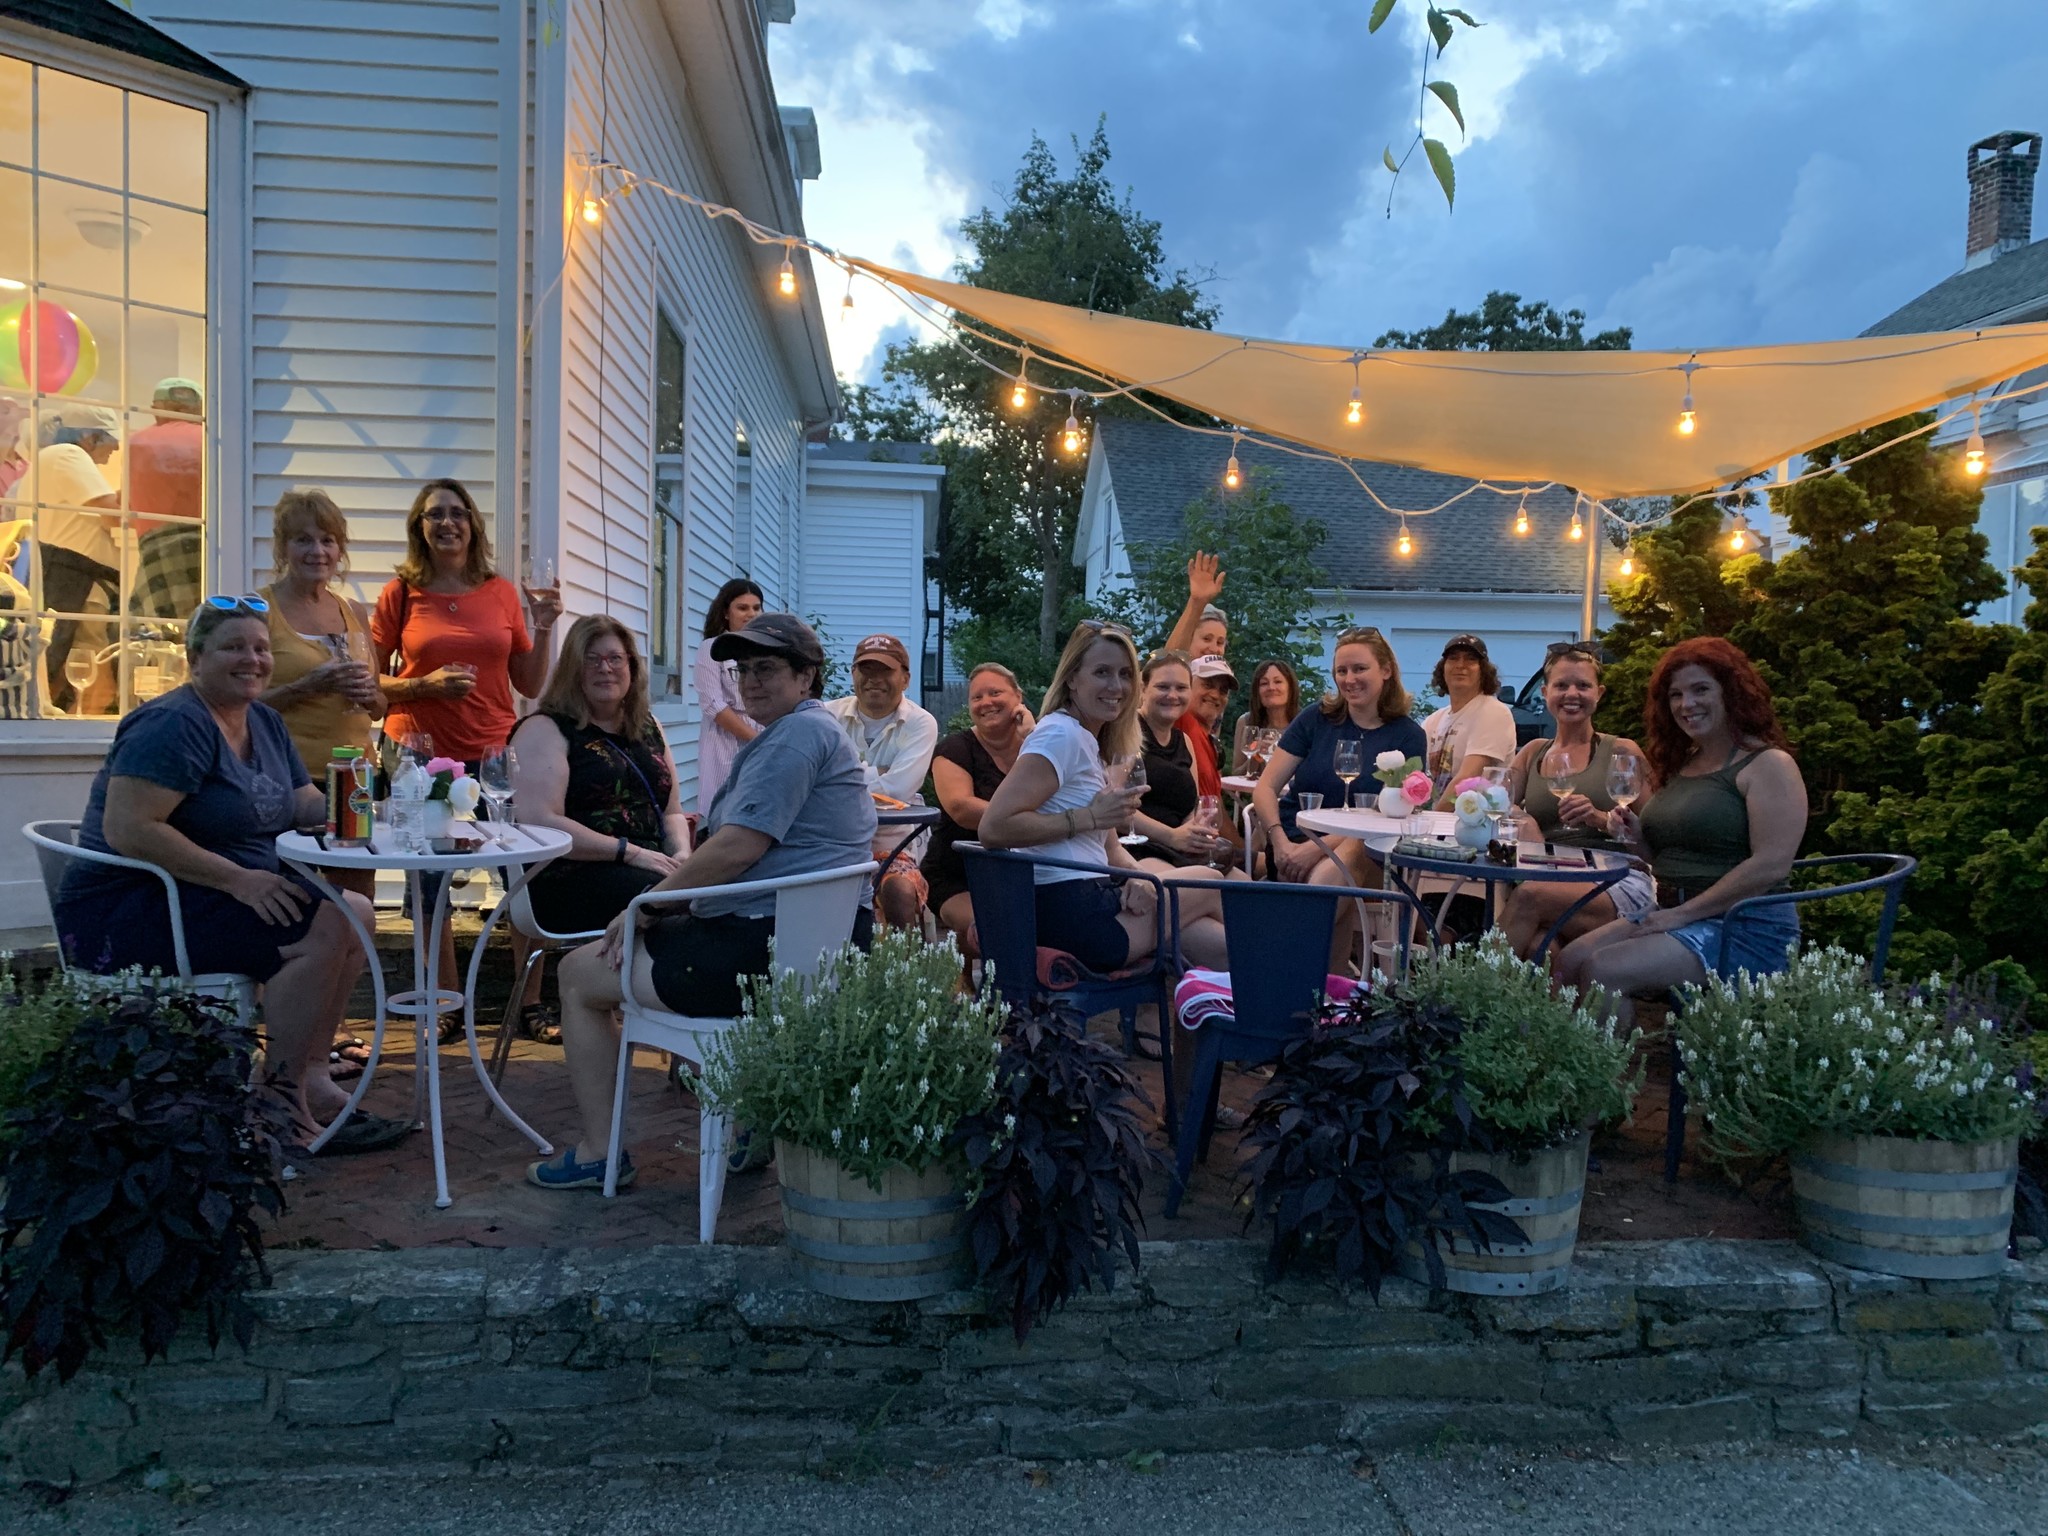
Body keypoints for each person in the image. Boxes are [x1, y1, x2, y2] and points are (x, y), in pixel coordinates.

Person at [529, 613, 874, 1191]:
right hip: (812, 945)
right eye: (744, 670)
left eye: (768, 668)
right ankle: (752, 1120)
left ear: (807, 677)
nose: (752, 682)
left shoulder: (795, 737)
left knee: (577, 974)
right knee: (652, 942)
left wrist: (651, 906)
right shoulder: (811, 733)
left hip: (759, 954)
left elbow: (739, 846)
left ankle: (599, 1153)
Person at [49, 597, 396, 1151]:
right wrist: (240, 880)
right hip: (132, 906)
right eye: (233, 647)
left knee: (354, 911)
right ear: (195, 657)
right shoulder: (171, 724)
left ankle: (310, 1076)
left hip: (208, 892)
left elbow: (301, 800)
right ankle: (277, 1103)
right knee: (327, 926)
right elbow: (129, 828)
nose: (252, 659)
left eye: (260, 648)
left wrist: (368, 807)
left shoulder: (262, 720)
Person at [371, 478, 563, 999]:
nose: (447, 523)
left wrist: (543, 626)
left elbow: (528, 683)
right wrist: (422, 685)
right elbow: (368, 682)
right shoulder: (401, 593)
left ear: (473, 524)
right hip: (418, 756)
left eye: (457, 513)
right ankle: (444, 999)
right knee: (430, 884)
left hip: (493, 754)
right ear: (420, 527)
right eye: (435, 515)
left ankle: (530, 1003)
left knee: (518, 878)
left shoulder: (500, 592)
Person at [1554, 637, 1808, 1029]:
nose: (1686, 704)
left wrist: (1681, 915)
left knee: (1605, 970)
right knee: (1568, 960)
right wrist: (1636, 837)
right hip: (1676, 911)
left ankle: (1600, 1086)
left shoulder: (1768, 764)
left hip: (1745, 926)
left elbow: (1771, 865)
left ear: (1733, 693)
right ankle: (1561, 1070)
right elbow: (1666, 861)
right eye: (1676, 694)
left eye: (1701, 689)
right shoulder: (1685, 763)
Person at [980, 620, 1228, 972]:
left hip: (1089, 900)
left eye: (1126, 674)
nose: (1117, 686)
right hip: (1072, 915)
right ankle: (1299, 993)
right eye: (1102, 672)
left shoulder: (1085, 740)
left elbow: (1111, 848)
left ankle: (1234, 1009)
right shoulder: (1059, 736)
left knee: (1220, 947)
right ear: (1072, 679)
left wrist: (1140, 878)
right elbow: (994, 827)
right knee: (1214, 882)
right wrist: (1089, 817)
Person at [510, 616, 692, 1041]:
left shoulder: (647, 726)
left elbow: (671, 810)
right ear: (572, 669)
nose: (605, 669)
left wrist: (681, 853)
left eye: (615, 659)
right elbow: (541, 822)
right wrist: (629, 851)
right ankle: (663, 1029)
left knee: (710, 893)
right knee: (680, 906)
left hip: (648, 866)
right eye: (591, 660)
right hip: (566, 876)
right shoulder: (546, 729)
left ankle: (675, 1033)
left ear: (632, 666)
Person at [258, 488, 386, 923]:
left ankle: (350, 986)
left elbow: (378, 706)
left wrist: (372, 696)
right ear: (283, 547)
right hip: (290, 777)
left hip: (355, 776)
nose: (318, 551)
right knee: (296, 905)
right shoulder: (261, 610)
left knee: (358, 901)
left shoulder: (352, 610)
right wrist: (307, 686)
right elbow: (239, 706)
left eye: (328, 540)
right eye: (304, 540)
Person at [1497, 643, 1655, 957]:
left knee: (1530, 897)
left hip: (1616, 878)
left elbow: (1654, 837)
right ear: (1545, 692)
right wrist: (1523, 820)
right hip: (1549, 873)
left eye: (1583, 685)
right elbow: (1494, 803)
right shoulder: (1532, 753)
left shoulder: (1621, 751)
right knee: (1542, 948)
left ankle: (1464, 992)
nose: (1572, 694)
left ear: (1600, 693)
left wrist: (1600, 819)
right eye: (1561, 685)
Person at [1254, 626, 1428, 889]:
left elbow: (1385, 816)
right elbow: (1265, 787)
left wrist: (1318, 850)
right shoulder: (1315, 719)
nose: (1349, 679)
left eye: (1359, 669)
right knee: (1333, 875)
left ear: (1386, 670)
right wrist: (1279, 843)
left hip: (1363, 850)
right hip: (1292, 846)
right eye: (1341, 671)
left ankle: (1308, 924)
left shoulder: (1408, 736)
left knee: (1348, 857)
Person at [823, 632, 939, 929]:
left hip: (894, 845)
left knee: (899, 891)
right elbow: (811, 783)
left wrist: (841, 777)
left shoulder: (920, 722)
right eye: (866, 669)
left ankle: (905, 970)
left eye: (885, 670)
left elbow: (899, 790)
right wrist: (881, 772)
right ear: (853, 674)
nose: (874, 679)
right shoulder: (825, 716)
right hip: (833, 842)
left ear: (905, 679)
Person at [921, 662, 1032, 953]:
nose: (986, 703)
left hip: (1024, 872)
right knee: (995, 927)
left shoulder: (1039, 745)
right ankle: (974, 983)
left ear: (1018, 697)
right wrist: (1033, 825)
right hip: (958, 874)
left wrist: (1033, 736)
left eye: (995, 692)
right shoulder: (954, 749)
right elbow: (961, 808)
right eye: (977, 697)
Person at [35, 403, 123, 712]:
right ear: (88, 436)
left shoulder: (51, 459)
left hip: (69, 574)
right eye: (110, 438)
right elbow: (112, 512)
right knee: (91, 667)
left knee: (59, 663)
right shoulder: (67, 455)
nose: (116, 446)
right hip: (74, 578)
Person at [1128, 650, 1221, 867]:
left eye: (1181, 688)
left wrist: (1194, 834)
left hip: (1179, 849)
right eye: (1163, 687)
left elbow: (1192, 806)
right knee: (1207, 884)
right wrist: (1172, 836)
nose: (1172, 695)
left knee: (1242, 881)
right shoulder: (1127, 733)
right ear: (1143, 689)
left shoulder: (1185, 741)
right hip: (1139, 848)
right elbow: (1116, 811)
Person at [128, 378, 206, 625]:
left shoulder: (137, 442)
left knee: (160, 633)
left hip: (159, 549)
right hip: (210, 545)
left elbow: (127, 509)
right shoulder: (214, 440)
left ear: (156, 408)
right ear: (200, 408)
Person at [692, 577, 764, 815]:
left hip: (762, 735)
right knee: (723, 809)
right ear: (725, 612)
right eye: (742, 608)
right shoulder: (711, 648)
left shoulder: (766, 652)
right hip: (725, 740)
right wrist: (757, 740)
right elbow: (713, 704)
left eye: (756, 608)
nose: (750, 614)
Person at [1423, 634, 1517, 807]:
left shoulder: (1494, 712)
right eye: (1453, 658)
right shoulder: (1432, 721)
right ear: (1443, 669)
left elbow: (1468, 780)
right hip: (1438, 825)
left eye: (1470, 659)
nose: (1461, 665)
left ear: (1483, 670)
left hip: (1477, 826)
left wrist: (1432, 820)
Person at [1178, 653, 1233, 801]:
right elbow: (1165, 664)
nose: (1215, 695)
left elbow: (1214, 803)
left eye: (1223, 690)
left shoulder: (1209, 740)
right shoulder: (1179, 720)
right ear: (1187, 686)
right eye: (1208, 685)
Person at [1232, 659, 1300, 774]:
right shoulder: (1246, 722)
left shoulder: (1305, 723)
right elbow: (1235, 778)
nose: (1271, 687)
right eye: (1264, 683)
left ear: (1291, 688)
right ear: (1257, 691)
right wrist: (1256, 756)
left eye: (1278, 682)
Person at [1164, 550, 1228, 659]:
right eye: (1206, 639)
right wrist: (1197, 602)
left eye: (1220, 642)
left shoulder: (1226, 675)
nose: (1213, 649)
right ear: (1188, 638)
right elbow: (1170, 662)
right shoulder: (1178, 674)